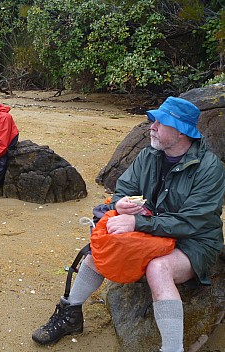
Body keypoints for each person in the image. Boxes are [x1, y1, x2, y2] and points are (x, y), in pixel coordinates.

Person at [32, 97, 225, 352]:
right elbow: (124, 189)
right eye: (152, 121)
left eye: (159, 122)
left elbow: (191, 222)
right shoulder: (148, 155)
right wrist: (121, 204)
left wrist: (137, 222)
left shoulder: (210, 169)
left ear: (181, 131)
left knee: (158, 269)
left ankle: (172, 349)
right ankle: (71, 313)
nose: (151, 127)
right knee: (98, 251)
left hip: (194, 241)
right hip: (150, 230)